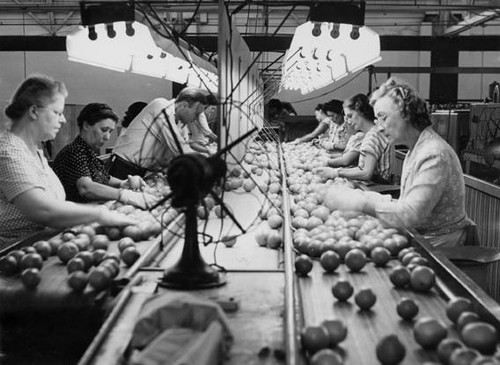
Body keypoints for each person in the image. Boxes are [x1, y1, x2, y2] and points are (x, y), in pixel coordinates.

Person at [324, 78, 469, 247]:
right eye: (377, 120)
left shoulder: (433, 154)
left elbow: (410, 213)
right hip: (425, 235)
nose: (379, 127)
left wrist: (360, 203)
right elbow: (406, 204)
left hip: (440, 242)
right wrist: (362, 196)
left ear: (405, 114)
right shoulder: (416, 149)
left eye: (383, 117)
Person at [0, 75, 134, 248]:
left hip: (44, 244)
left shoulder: (35, 152)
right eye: (57, 112)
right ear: (34, 112)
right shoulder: (8, 152)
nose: (63, 119)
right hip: (13, 251)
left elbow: (56, 203)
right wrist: (98, 213)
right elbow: (43, 210)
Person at [53, 103, 157, 209]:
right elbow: (86, 188)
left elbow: (105, 178)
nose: (107, 137)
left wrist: (123, 183)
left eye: (110, 131)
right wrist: (125, 195)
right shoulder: (74, 152)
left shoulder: (89, 153)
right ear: (86, 125)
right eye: (103, 130)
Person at [108, 87, 207, 179]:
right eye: (196, 114)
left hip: (139, 171)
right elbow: (180, 148)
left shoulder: (179, 124)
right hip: (121, 167)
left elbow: (175, 154)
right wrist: (207, 162)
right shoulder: (161, 106)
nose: (197, 119)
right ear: (185, 105)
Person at [315, 94, 392, 184]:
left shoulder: (373, 136)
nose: (347, 121)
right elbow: (362, 168)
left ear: (360, 112)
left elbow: (366, 173)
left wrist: (336, 172)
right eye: (346, 117)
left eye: (350, 116)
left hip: (379, 186)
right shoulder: (373, 132)